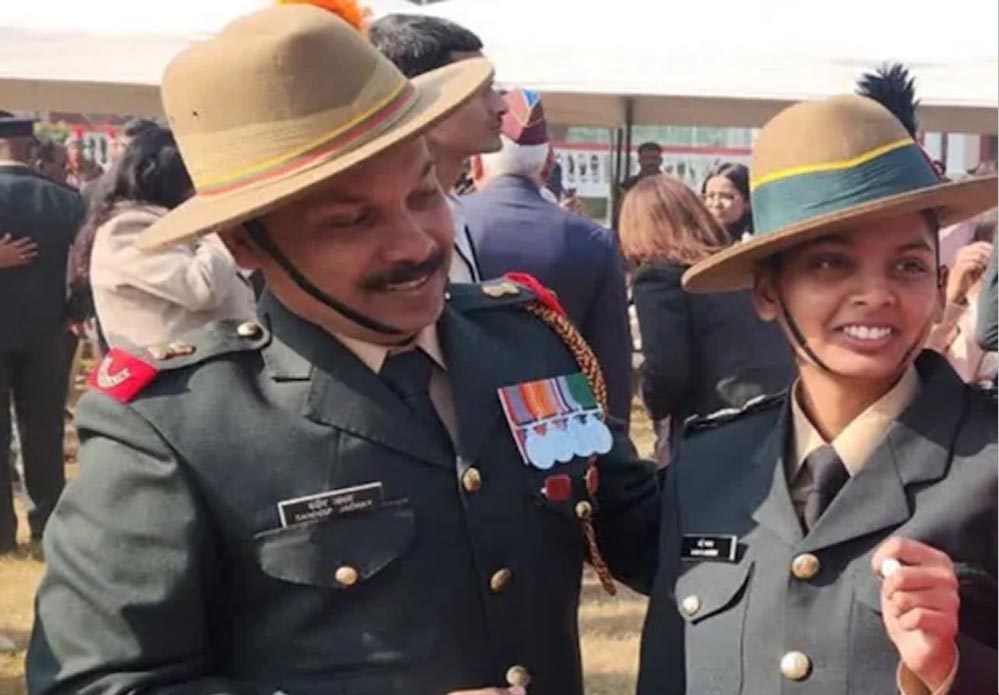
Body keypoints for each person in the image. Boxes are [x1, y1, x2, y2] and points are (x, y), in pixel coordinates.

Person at [27, 7, 660, 695]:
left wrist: (751, 445)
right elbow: (97, 681)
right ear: (245, 242)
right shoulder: (174, 428)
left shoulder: (525, 343)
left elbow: (648, 527)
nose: (414, 244)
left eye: (424, 194)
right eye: (352, 220)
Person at [638, 94, 998, 695]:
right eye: (830, 264)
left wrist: (955, 672)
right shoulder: (711, 464)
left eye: (908, 266)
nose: (875, 294)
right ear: (766, 292)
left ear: (940, 289)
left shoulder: (987, 462)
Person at [463, 88, 633, 424]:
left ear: (476, 164)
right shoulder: (592, 240)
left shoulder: (446, 226)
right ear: (549, 164)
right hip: (558, 423)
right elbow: (611, 359)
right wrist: (615, 437)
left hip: (463, 417)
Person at [619, 173, 792, 462]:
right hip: (777, 412)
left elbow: (667, 370)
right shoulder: (733, 266)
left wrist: (651, 401)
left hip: (714, 426)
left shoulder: (658, 277)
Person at [81, 125, 255, 349]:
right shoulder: (127, 228)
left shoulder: (166, 219)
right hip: (177, 365)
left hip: (216, 357)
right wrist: (215, 223)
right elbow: (200, 287)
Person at [0, 113, 85, 554]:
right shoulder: (66, 200)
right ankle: (48, 524)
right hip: (46, 331)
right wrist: (77, 312)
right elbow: (84, 267)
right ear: (31, 147)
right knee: (44, 432)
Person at [370, 13, 508, 283]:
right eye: (481, 91)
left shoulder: (451, 208)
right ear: (424, 102)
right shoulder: (391, 228)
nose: (501, 106)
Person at [701, 161, 752, 241]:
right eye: (710, 196)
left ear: (747, 202)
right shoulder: (698, 240)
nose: (717, 204)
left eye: (726, 196)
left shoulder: (759, 238)